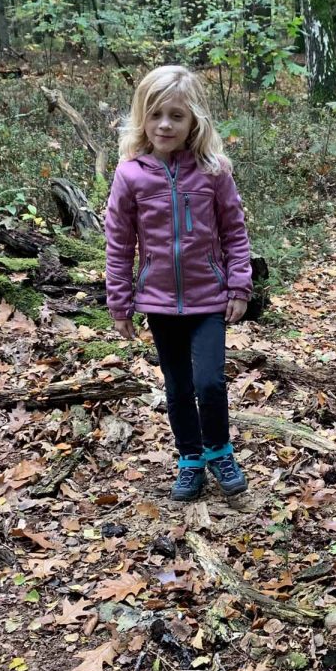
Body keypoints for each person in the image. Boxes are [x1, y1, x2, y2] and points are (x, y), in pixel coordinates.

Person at [105, 65, 252, 501]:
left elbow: (235, 231)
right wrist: (120, 301)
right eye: (155, 115)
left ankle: (220, 451)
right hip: (158, 301)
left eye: (176, 116)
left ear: (194, 122)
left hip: (210, 298)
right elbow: (119, 241)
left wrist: (239, 286)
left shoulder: (213, 170)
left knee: (209, 381)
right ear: (142, 119)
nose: (164, 125)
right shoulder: (131, 174)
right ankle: (189, 458)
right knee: (177, 385)